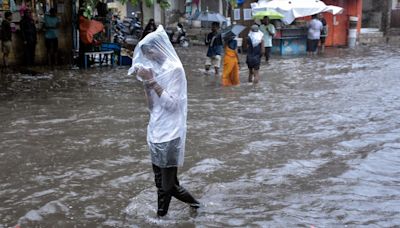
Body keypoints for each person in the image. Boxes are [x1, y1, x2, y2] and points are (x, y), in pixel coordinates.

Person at [128, 25, 200, 217]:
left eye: (150, 51)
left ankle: (167, 216)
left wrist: (152, 81)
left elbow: (171, 105)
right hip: (155, 130)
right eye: (146, 54)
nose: (149, 56)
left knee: (167, 186)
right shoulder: (156, 69)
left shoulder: (174, 70)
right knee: (163, 183)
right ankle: (183, 209)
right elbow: (152, 107)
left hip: (171, 133)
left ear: (160, 47)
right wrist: (146, 83)